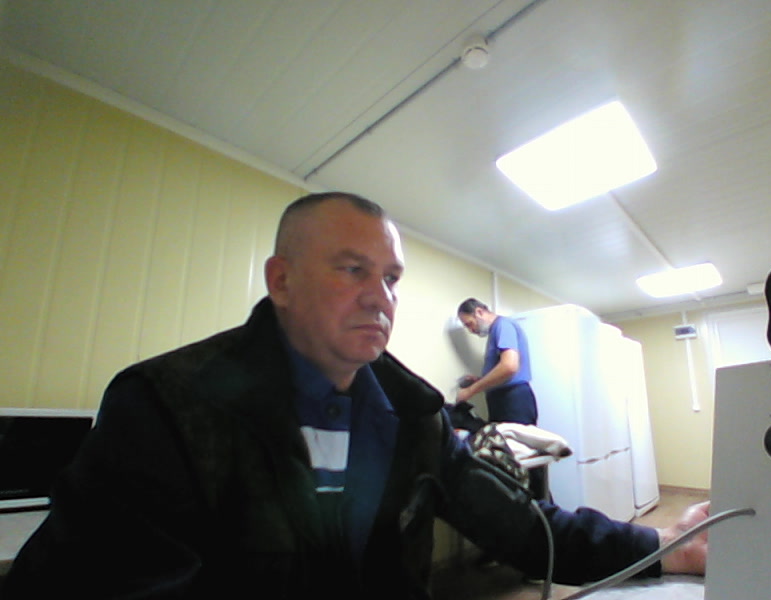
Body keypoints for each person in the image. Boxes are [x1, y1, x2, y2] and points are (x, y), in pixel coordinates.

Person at [3, 192, 708, 599]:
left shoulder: (414, 417)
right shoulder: (167, 407)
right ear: (281, 281)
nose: (381, 297)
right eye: (351, 270)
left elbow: (523, 525)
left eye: (391, 278)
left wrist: (659, 546)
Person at [456, 298, 538, 426]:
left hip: (512, 399)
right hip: (504, 399)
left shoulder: (503, 325)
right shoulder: (496, 330)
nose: (471, 330)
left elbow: (509, 366)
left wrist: (470, 390)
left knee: (513, 438)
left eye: (469, 324)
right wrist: (480, 380)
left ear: (479, 312)